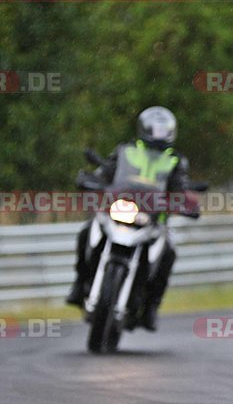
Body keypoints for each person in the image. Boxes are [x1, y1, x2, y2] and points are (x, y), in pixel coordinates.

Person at [66, 106, 192, 331]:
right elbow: (107, 172)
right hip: (119, 209)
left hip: (153, 220)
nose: (159, 134)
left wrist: (184, 202)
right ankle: (79, 284)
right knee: (86, 232)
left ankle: (152, 307)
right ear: (144, 129)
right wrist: (94, 180)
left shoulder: (175, 160)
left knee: (169, 253)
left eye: (163, 130)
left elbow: (180, 187)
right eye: (155, 129)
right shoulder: (126, 150)